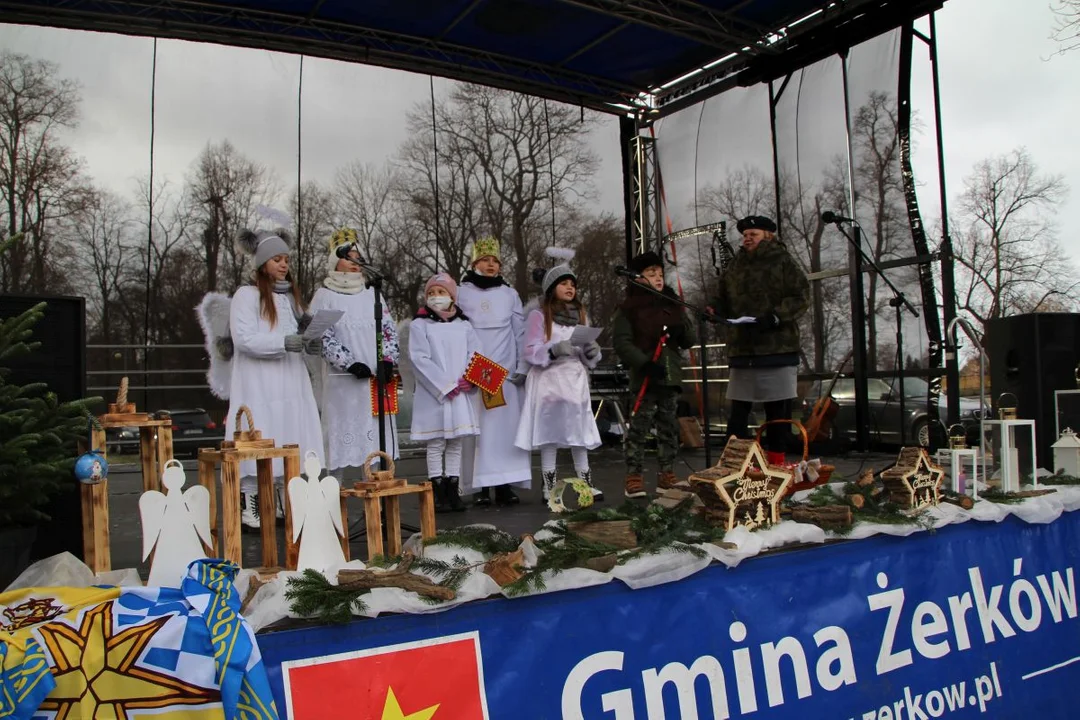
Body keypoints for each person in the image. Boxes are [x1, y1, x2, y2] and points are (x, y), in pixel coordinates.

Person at [227, 228, 324, 529]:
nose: (283, 265)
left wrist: (310, 343)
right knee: (262, 433)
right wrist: (281, 343)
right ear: (262, 263)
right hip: (260, 382)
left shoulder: (289, 300)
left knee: (288, 432)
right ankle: (250, 502)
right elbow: (244, 338)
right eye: (277, 259)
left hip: (289, 381)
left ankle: (282, 500)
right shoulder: (247, 295)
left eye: (286, 259)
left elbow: (298, 334)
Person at [711, 215, 810, 464]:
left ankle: (776, 463)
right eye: (744, 235)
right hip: (743, 348)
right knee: (739, 411)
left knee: (777, 411)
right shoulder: (735, 266)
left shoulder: (783, 261)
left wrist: (775, 317)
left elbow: (800, 297)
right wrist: (714, 310)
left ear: (768, 235)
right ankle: (736, 464)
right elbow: (721, 297)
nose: (747, 239)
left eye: (752, 234)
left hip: (777, 347)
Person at [309, 228, 400, 477]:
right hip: (345, 385)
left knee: (373, 445)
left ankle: (375, 502)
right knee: (339, 445)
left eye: (357, 255)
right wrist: (348, 363)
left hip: (374, 383)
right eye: (347, 255)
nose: (354, 261)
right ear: (335, 261)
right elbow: (322, 336)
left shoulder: (373, 295)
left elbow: (389, 331)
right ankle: (331, 500)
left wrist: (387, 360)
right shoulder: (325, 296)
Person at [515, 254, 604, 503]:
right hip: (549, 382)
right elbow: (530, 350)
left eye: (572, 284)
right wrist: (552, 350)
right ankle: (549, 488)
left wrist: (591, 353)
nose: (570, 288)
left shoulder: (580, 315)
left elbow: (586, 352)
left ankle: (586, 485)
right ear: (552, 288)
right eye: (564, 283)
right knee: (549, 435)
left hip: (574, 381)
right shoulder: (538, 316)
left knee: (580, 433)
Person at [611, 250, 697, 498]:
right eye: (651, 273)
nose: (658, 278)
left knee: (669, 426)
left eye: (660, 273)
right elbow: (622, 342)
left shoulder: (674, 305)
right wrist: (643, 363)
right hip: (646, 375)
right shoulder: (628, 308)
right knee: (640, 426)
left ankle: (667, 473)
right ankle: (634, 475)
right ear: (638, 277)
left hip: (669, 374)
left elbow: (688, 341)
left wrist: (683, 328)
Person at [456, 237, 532, 506]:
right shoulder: (461, 292)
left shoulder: (509, 294)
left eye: (495, 261)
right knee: (477, 428)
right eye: (485, 260)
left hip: (505, 369)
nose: (491, 265)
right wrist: (465, 368)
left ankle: (504, 483)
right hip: (474, 368)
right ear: (475, 262)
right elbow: (457, 331)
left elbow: (519, 331)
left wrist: (522, 366)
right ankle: (478, 486)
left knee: (503, 428)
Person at [409, 273, 480, 513]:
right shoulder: (420, 325)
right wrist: (443, 385)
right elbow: (420, 359)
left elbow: (475, 355)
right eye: (431, 293)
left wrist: (472, 379)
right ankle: (436, 492)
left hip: (459, 393)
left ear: (451, 296)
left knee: (455, 443)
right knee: (436, 442)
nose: (435, 298)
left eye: (441, 292)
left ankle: (453, 490)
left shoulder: (464, 326)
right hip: (435, 396)